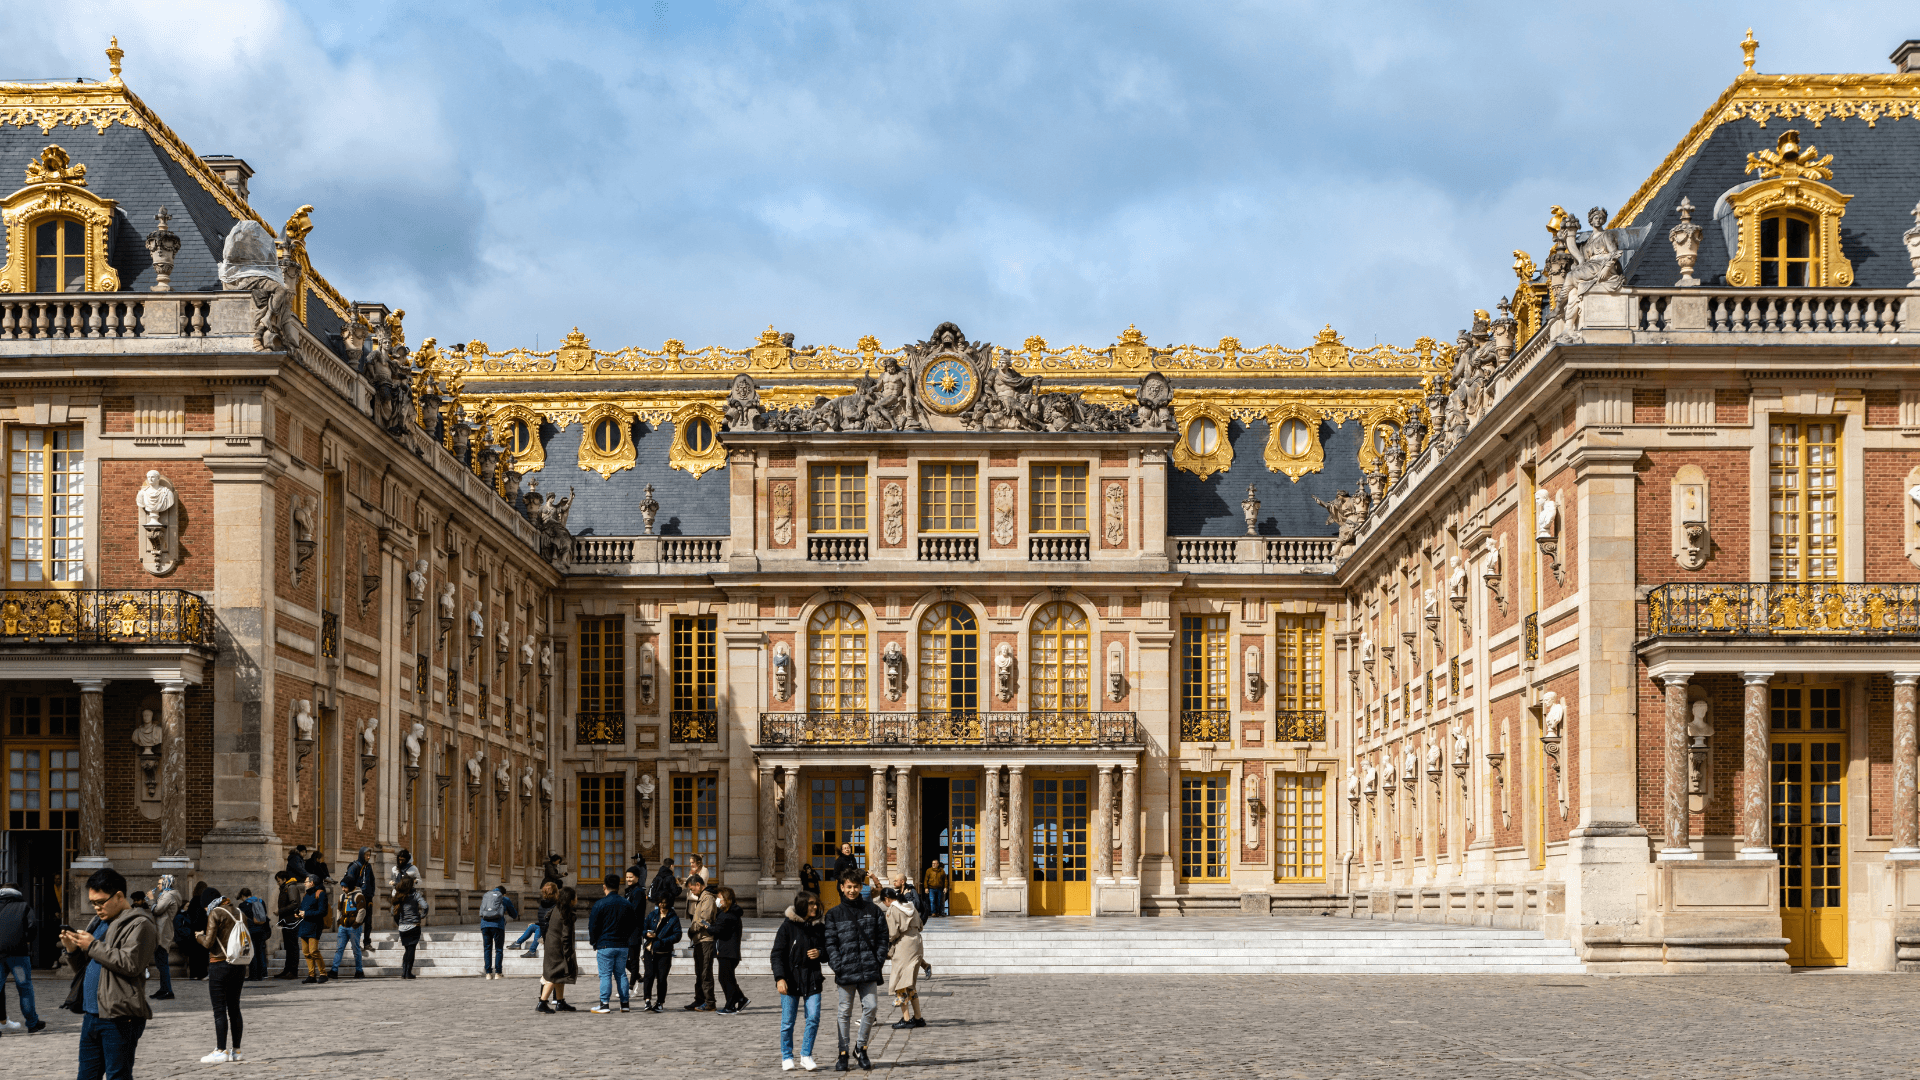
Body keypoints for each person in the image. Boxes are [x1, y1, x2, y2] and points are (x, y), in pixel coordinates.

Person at [60, 867, 158, 1080]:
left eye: (100, 902)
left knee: (118, 1076)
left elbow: (131, 963)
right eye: (92, 903)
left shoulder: (140, 923)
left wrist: (93, 945)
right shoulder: (99, 922)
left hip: (120, 1016)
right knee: (85, 1076)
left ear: (119, 896)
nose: (96, 908)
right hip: (92, 1014)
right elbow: (86, 970)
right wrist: (72, 950)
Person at [822, 870, 888, 1072]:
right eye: (848, 887)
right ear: (842, 887)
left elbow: (883, 937)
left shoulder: (874, 910)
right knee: (844, 1012)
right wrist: (837, 965)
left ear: (862, 887)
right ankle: (843, 1052)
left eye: (856, 886)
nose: (852, 890)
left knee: (871, 1007)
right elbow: (830, 943)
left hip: (869, 968)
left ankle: (861, 1047)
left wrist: (877, 961)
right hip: (846, 970)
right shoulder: (833, 914)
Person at [771, 890, 825, 1072]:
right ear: (802, 905)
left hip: (812, 978)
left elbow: (828, 950)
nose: (815, 907)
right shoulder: (787, 927)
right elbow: (777, 954)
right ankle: (786, 1056)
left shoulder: (819, 927)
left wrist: (820, 953)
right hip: (790, 979)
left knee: (814, 1017)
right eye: (811, 903)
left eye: (816, 903)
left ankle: (806, 1055)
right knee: (788, 1022)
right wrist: (779, 978)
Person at [194, 890, 250, 1063]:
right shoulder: (240, 912)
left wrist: (199, 937)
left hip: (219, 963)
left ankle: (221, 1050)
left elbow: (209, 942)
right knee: (234, 1008)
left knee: (219, 1010)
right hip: (239, 964)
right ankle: (237, 1051)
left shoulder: (215, 913)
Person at [0, 880, 44, 1033]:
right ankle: (32, 1023)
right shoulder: (23, 906)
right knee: (24, 988)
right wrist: (22, 939)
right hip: (18, 955)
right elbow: (32, 928)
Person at [586, 873, 633, 1013]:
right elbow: (632, 924)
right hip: (622, 945)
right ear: (619, 887)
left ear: (604, 886)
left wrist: (594, 941)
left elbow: (592, 926)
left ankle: (604, 1004)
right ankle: (625, 1004)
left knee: (605, 975)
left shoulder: (600, 904)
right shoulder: (627, 903)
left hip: (605, 944)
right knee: (621, 974)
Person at [884, 887, 928, 1030]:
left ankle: (907, 1019)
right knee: (910, 984)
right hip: (916, 942)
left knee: (900, 983)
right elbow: (921, 925)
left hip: (903, 945)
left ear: (887, 899)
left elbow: (892, 933)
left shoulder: (893, 909)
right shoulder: (911, 907)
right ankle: (918, 1017)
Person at [332, 847, 376, 978]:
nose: (368, 857)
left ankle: (367, 942)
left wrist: (371, 894)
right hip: (351, 910)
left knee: (368, 920)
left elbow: (372, 882)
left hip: (366, 899)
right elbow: (349, 880)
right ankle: (334, 970)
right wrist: (339, 921)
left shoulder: (368, 867)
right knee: (341, 948)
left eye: (369, 855)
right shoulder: (355, 866)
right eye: (366, 855)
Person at [535, 886, 577, 1013]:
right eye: (575, 897)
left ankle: (560, 1001)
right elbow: (565, 936)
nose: (576, 899)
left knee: (560, 974)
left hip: (552, 944)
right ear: (570, 899)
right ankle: (542, 1003)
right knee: (553, 975)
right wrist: (568, 952)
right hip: (558, 948)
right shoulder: (566, 913)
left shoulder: (556, 909)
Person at [639, 893, 680, 1013]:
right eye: (660, 903)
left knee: (662, 978)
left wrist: (663, 940)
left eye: (665, 903)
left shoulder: (673, 918)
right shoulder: (652, 915)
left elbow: (677, 935)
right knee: (649, 975)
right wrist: (646, 934)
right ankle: (647, 1000)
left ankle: (660, 1002)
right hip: (650, 950)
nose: (662, 905)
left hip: (664, 951)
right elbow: (643, 928)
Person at [712, 886, 748, 1014]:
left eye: (719, 898)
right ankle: (741, 999)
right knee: (728, 978)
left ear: (726, 899)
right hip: (726, 950)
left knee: (725, 978)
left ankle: (731, 1004)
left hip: (728, 951)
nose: (717, 900)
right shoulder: (727, 913)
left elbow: (719, 930)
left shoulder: (730, 914)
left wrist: (708, 928)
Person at [684, 875, 717, 1011]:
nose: (692, 892)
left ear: (698, 884)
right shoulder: (701, 899)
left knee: (705, 972)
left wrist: (692, 929)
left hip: (706, 940)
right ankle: (699, 1000)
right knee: (699, 972)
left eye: (692, 889)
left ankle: (709, 1002)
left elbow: (705, 920)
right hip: (699, 940)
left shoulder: (707, 898)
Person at [147, 875, 179, 1000]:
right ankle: (163, 989)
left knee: (163, 963)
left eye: (160, 883)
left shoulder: (168, 896)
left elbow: (157, 910)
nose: (158, 885)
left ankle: (168, 990)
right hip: (162, 931)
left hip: (163, 932)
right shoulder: (166, 895)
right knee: (160, 962)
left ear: (167, 883)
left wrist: (151, 899)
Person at [479, 881, 519, 979]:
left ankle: (488, 973)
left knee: (487, 948)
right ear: (503, 893)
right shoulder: (504, 899)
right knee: (499, 949)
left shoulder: (487, 897)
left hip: (484, 925)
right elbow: (514, 914)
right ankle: (498, 973)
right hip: (498, 926)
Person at [391, 877, 427, 979]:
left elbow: (392, 911)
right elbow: (425, 906)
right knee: (411, 949)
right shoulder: (415, 895)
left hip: (402, 928)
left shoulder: (398, 895)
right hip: (414, 926)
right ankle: (408, 972)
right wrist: (422, 916)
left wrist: (400, 923)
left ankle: (404, 972)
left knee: (407, 949)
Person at [296, 873, 327, 983]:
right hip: (304, 925)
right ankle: (311, 975)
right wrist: (299, 913)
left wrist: (306, 914)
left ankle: (323, 973)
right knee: (306, 952)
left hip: (315, 926)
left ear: (312, 882)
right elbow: (303, 908)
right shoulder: (306, 894)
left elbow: (322, 911)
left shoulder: (320, 893)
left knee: (313, 951)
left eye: (306, 881)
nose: (305, 883)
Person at [514, 879, 556, 958]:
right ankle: (518, 943)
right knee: (533, 926)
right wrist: (536, 923)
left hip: (551, 930)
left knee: (539, 929)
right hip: (546, 927)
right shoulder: (549, 904)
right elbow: (544, 919)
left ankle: (531, 950)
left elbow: (548, 920)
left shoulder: (546, 905)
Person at [273, 871, 303, 979]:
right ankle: (287, 969)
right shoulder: (285, 888)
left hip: (291, 921)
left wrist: (280, 911)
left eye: (279, 881)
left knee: (292, 946)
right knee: (288, 946)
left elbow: (294, 904)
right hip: (286, 921)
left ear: (284, 879)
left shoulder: (291, 888)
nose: (278, 883)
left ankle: (293, 971)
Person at [236, 888, 270, 981]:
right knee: (261, 952)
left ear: (243, 896)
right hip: (262, 930)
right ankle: (262, 974)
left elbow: (241, 919)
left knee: (252, 953)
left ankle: (253, 975)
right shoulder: (261, 901)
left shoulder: (242, 905)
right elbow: (264, 914)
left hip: (250, 931)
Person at [181, 883, 214, 980]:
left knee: (193, 953)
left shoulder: (193, 900)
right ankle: (202, 974)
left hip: (192, 930)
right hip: (202, 930)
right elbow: (204, 916)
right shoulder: (204, 901)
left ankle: (193, 974)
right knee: (202, 953)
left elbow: (190, 916)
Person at [621, 868, 648, 986]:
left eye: (631, 877)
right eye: (627, 877)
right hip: (627, 930)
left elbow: (634, 911)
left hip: (634, 929)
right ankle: (637, 977)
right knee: (624, 959)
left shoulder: (638, 892)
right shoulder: (630, 891)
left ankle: (631, 985)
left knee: (633, 959)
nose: (628, 879)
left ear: (637, 877)